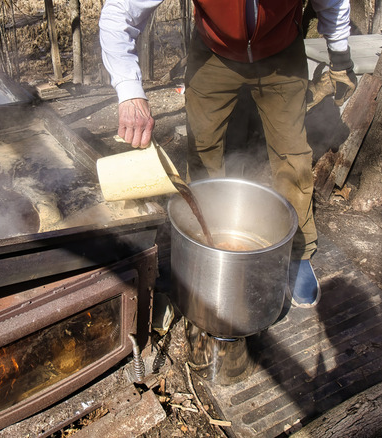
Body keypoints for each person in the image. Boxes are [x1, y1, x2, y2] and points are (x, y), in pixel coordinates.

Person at [99, 0, 356, 308]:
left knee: (293, 155)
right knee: (204, 151)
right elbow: (120, 13)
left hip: (282, 54)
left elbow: (333, 1)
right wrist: (129, 92)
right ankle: (203, 244)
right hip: (213, 54)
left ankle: (297, 251)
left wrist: (339, 54)